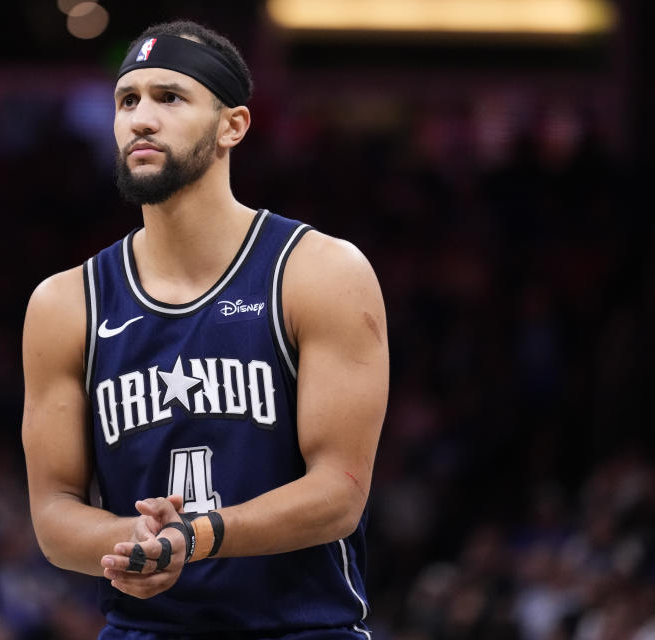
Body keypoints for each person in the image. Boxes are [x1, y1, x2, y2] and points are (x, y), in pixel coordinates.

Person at [22, 19, 389, 640]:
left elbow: (339, 492)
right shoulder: (64, 304)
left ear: (232, 125)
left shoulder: (319, 272)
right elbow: (53, 511)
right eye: (127, 100)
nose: (141, 117)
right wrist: (131, 543)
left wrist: (197, 539)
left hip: (301, 628)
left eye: (170, 97)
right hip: (145, 630)